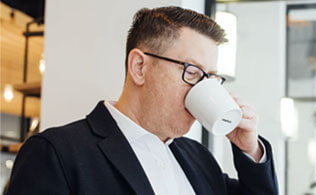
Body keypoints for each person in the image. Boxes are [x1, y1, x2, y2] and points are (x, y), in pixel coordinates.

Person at [6, 6, 278, 195]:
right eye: (192, 72)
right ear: (139, 67)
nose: (204, 88)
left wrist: (250, 150)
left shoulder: (197, 158)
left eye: (211, 78)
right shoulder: (57, 154)